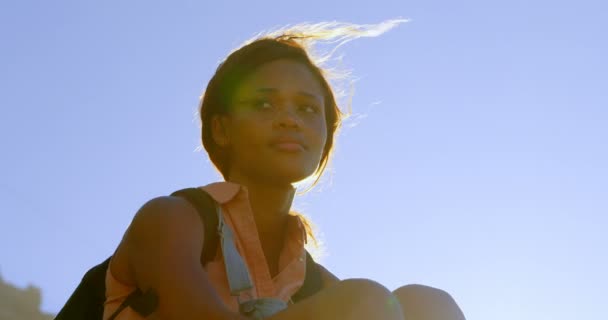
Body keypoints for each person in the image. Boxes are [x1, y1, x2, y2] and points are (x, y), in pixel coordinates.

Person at [102, 21, 466, 320]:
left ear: (325, 136)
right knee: (365, 302)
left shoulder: (315, 283)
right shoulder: (172, 218)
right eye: (263, 103)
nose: (289, 120)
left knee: (428, 306)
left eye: (307, 109)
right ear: (221, 129)